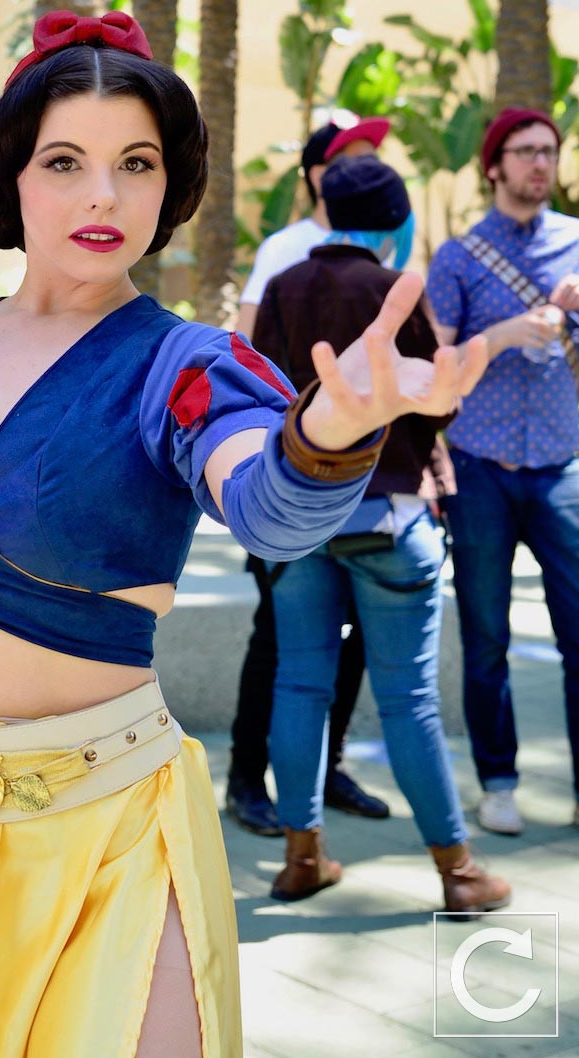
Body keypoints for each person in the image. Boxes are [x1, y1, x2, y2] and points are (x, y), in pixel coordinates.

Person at [0, 11, 484, 1058]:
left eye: (136, 163)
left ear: (169, 186)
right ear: (11, 176)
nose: (102, 196)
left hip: (109, 837)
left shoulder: (183, 365)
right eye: (64, 161)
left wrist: (329, 433)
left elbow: (268, 507)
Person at [256, 155, 509, 913]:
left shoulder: (282, 287)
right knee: (408, 700)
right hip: (391, 518)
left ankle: (302, 859)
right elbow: (435, 400)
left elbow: (263, 399)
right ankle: (459, 873)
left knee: (299, 683)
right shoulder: (393, 288)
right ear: (396, 221)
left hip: (298, 521)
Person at [227, 113, 392, 835]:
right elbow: (246, 353)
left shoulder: (387, 250)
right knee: (276, 635)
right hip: (291, 481)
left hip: (371, 487)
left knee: (354, 636)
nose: (371, 165)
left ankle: (328, 769)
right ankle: (245, 779)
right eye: (355, 155)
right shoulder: (285, 250)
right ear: (318, 174)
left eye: (376, 155)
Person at [427, 107, 579, 836]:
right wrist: (506, 334)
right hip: (479, 468)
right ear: (494, 165)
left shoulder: (577, 245)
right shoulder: (458, 257)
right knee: (486, 638)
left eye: (548, 150)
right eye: (524, 151)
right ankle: (498, 783)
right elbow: (438, 369)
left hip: (562, 467)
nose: (540, 163)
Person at [235, 115, 389, 344]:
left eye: (373, 161)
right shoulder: (284, 247)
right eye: (357, 162)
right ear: (319, 177)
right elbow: (245, 339)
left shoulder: (383, 244)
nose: (371, 172)